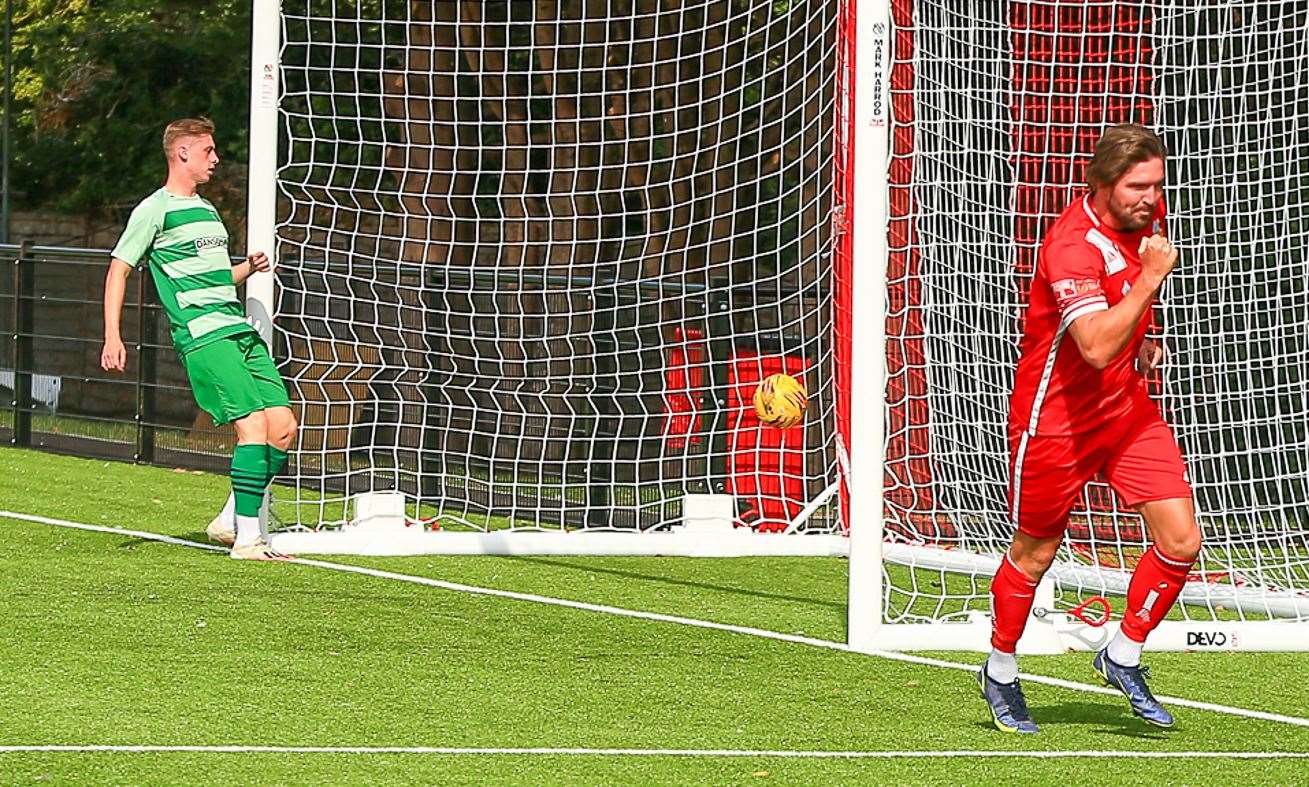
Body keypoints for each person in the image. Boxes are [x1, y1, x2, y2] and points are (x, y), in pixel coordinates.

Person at [979, 124, 1201, 732]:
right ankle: (1000, 669)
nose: (1151, 198)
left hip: (1126, 413)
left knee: (1181, 540)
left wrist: (1146, 341)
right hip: (1056, 425)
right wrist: (1154, 279)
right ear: (1101, 183)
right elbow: (1096, 347)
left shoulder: (1138, 234)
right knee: (1034, 554)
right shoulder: (1072, 246)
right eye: (1137, 186)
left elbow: (1120, 329)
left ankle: (1122, 654)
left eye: (1157, 185)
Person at [101, 117, 297, 561]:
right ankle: (249, 539)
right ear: (183, 153)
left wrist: (247, 269)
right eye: (208, 150)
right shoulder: (154, 209)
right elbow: (119, 270)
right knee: (253, 427)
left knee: (282, 427)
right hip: (204, 336)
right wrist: (113, 335)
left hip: (236, 328)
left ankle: (230, 520)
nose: (216, 158)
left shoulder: (206, 210)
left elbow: (212, 278)